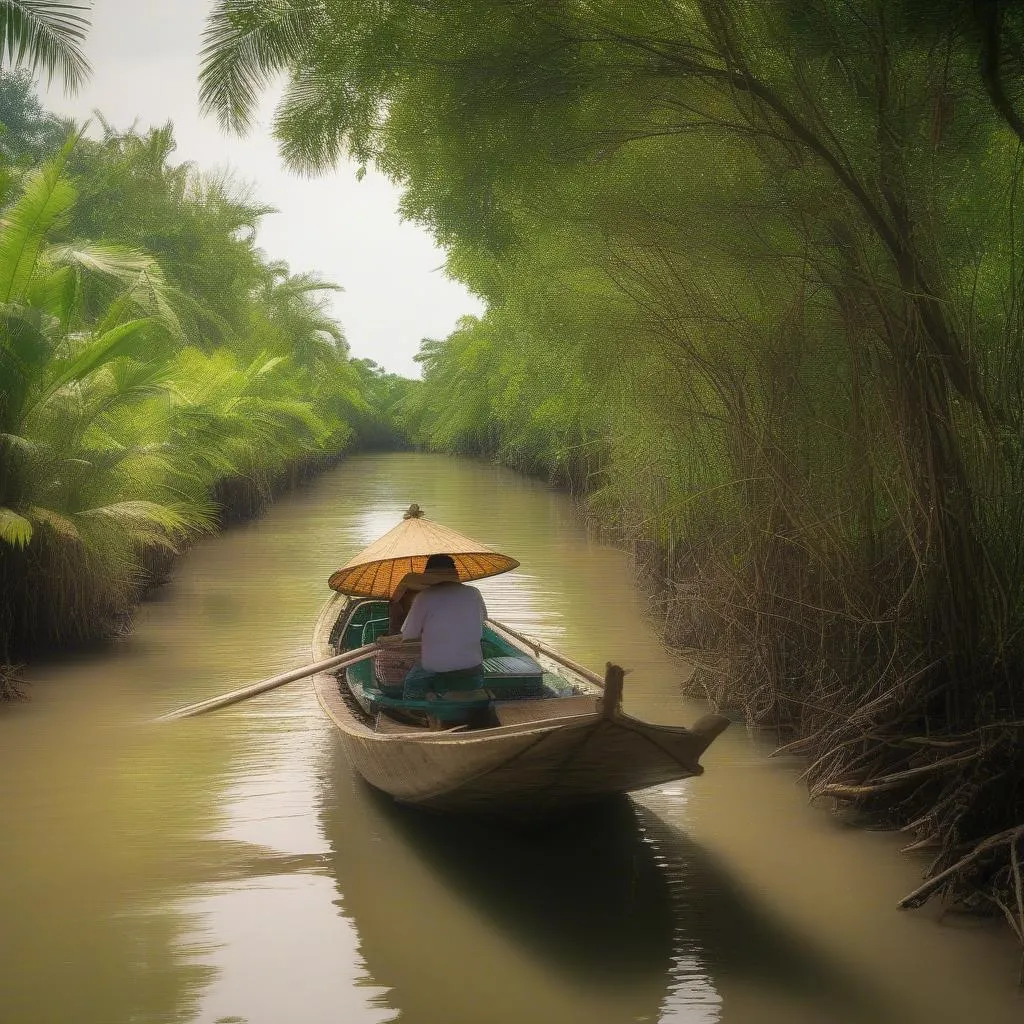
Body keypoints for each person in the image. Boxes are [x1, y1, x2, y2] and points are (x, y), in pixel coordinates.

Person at [397, 554, 490, 725]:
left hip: (437, 664)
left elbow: (408, 635)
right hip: (472, 664)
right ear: (455, 575)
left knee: (412, 683)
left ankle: (416, 716)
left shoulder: (424, 596)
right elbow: (483, 619)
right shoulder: (474, 593)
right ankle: (471, 706)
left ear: (429, 576)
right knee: (471, 675)